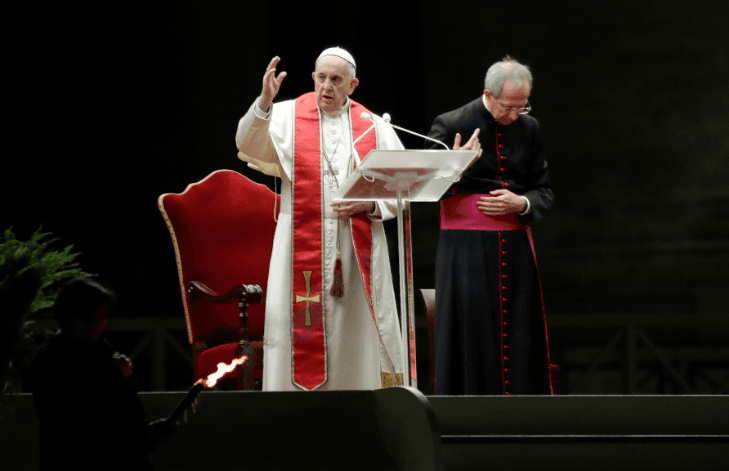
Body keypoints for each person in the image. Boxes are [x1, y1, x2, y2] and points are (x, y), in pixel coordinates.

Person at [235, 47, 414, 391]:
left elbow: (400, 189)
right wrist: (264, 102)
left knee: (353, 335)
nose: (326, 86)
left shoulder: (373, 127)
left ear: (353, 85)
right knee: (294, 327)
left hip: (354, 249)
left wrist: (369, 206)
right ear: (312, 78)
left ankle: (356, 410)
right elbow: (247, 143)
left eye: (336, 79)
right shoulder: (286, 116)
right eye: (321, 78)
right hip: (297, 245)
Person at [426, 56, 557, 395]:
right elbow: (422, 188)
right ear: (488, 94)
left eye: (521, 108)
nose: (514, 115)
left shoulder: (529, 128)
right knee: (472, 334)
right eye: (507, 107)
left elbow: (543, 190)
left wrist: (521, 203)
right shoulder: (451, 122)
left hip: (515, 251)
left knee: (519, 334)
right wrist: (456, 165)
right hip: (464, 252)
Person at [31, 277, 176, 470]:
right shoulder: (51, 360)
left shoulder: (101, 351)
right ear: (68, 318)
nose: (100, 326)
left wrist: (146, 432)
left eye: (103, 319)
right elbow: (82, 423)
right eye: (92, 320)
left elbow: (128, 410)